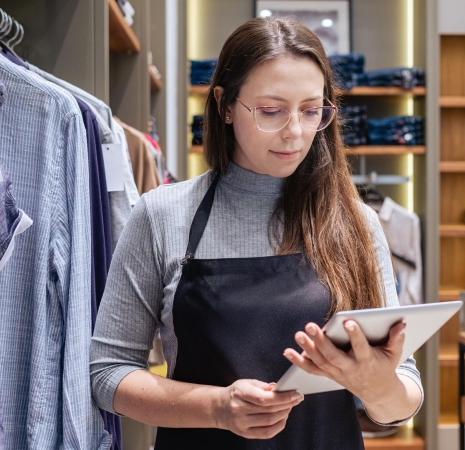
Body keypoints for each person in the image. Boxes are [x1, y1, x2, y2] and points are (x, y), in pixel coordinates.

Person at [90, 17, 423, 449]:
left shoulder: (356, 223)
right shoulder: (162, 215)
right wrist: (216, 407)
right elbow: (108, 372)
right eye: (271, 111)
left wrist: (379, 387)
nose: (295, 132)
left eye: (311, 111)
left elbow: (402, 396)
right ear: (225, 105)